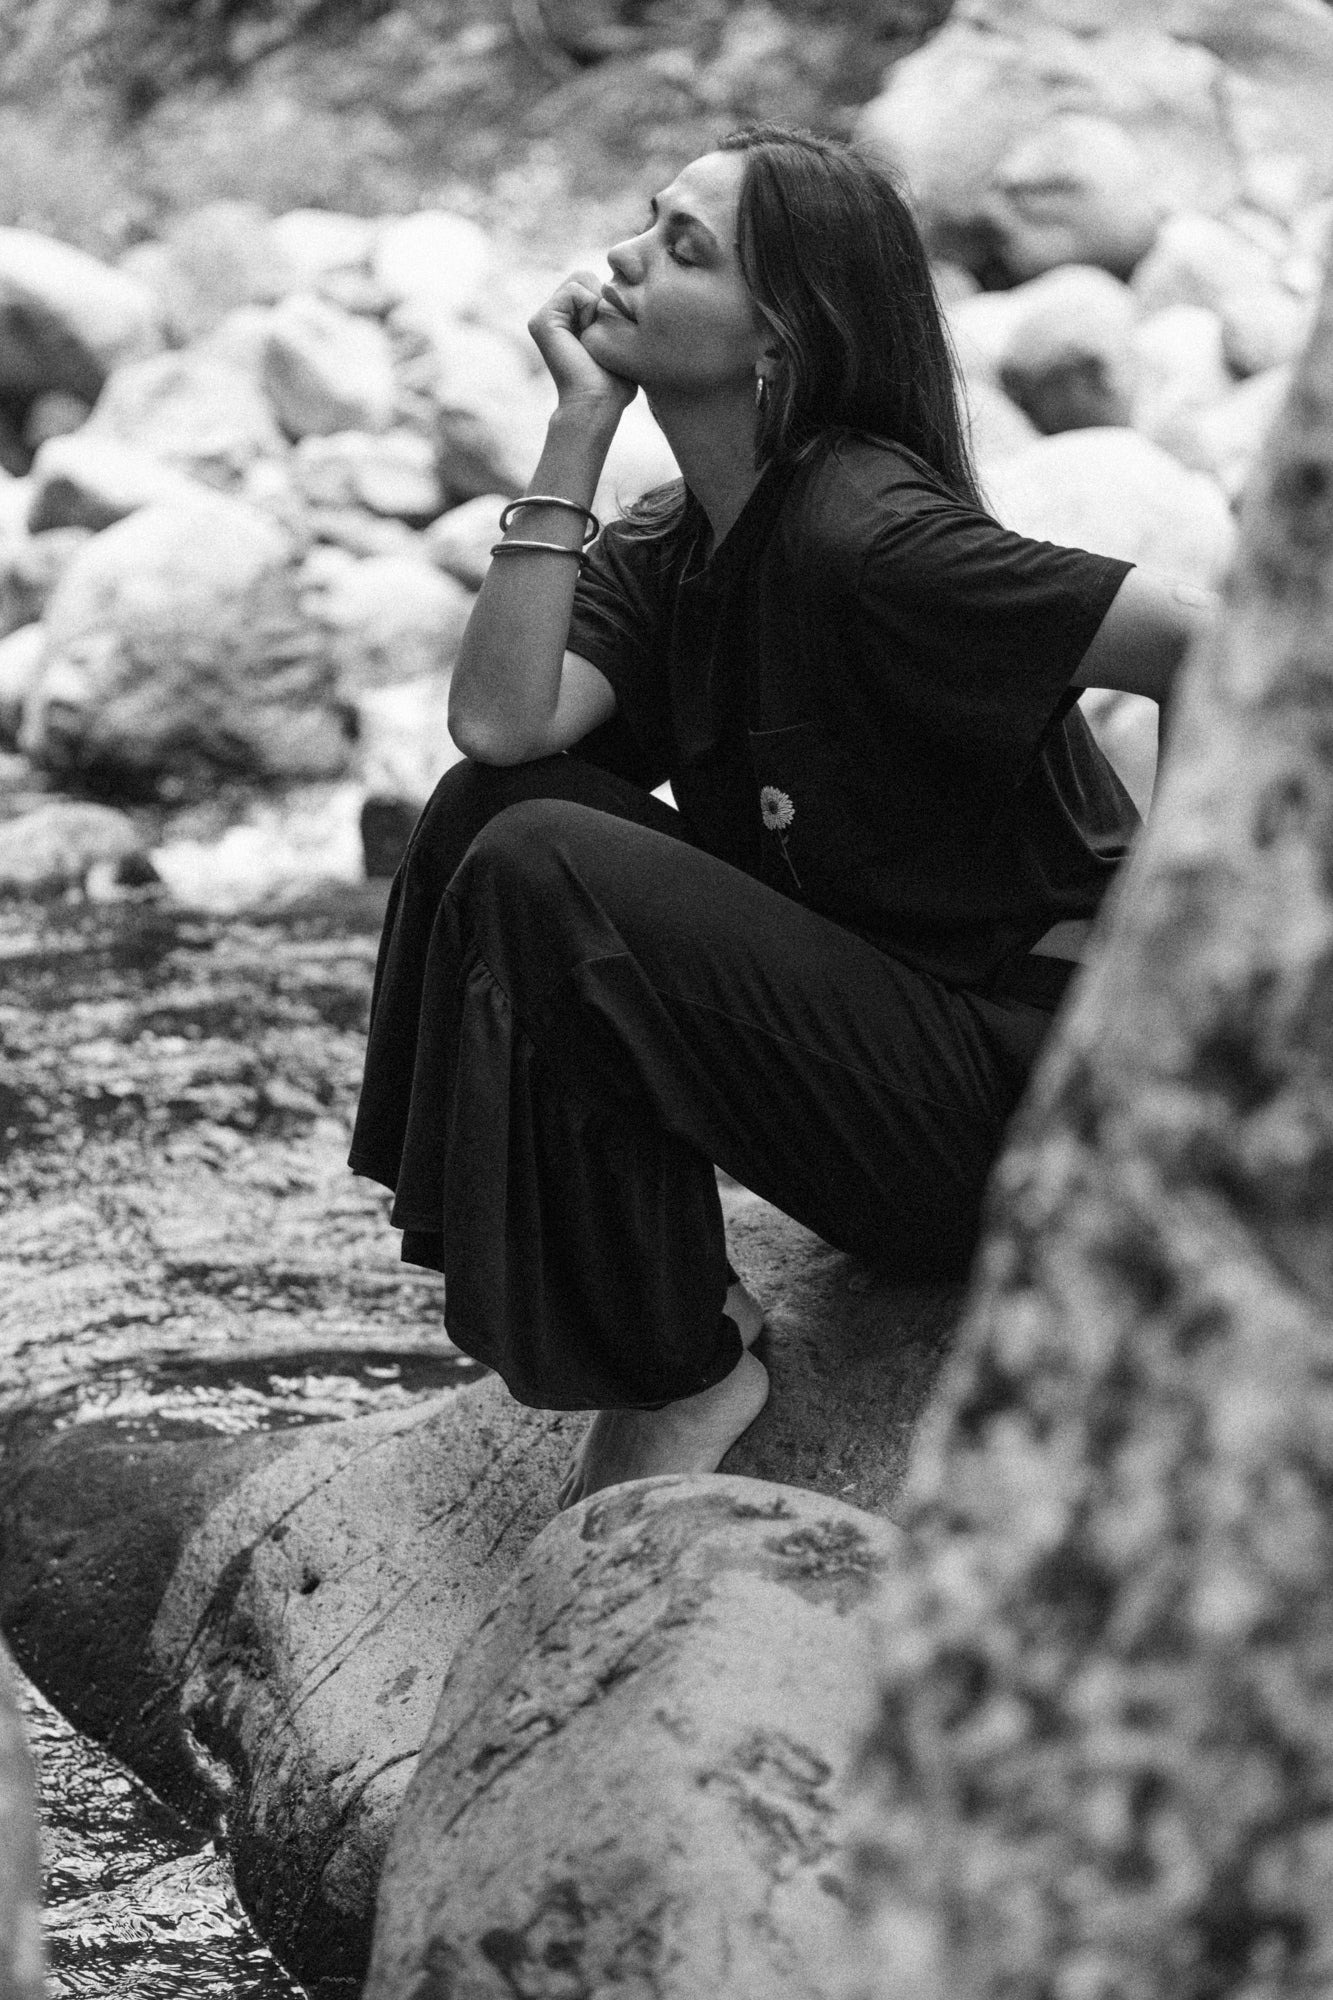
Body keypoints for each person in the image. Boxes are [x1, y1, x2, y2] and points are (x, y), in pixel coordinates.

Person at [349, 125, 1212, 1509]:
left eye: (682, 248)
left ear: (780, 339)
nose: (624, 257)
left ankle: (678, 1368)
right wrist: (576, 426)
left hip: (1020, 1116)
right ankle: (667, 1330)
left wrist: (1182, 996)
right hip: (885, 1064)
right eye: (648, 220)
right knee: (485, 816)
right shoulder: (683, 535)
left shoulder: (871, 536)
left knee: (540, 861)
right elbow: (502, 727)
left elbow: (1207, 648)